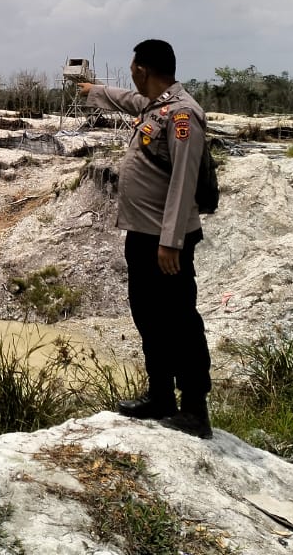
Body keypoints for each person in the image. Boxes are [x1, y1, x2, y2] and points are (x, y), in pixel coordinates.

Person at [79, 39, 213, 438]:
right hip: (142, 234)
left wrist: (171, 240)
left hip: (166, 241)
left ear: (141, 69)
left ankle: (193, 407)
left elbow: (184, 181)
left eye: (133, 68)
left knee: (180, 320)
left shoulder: (183, 114)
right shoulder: (157, 106)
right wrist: (92, 91)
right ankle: (159, 396)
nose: (131, 75)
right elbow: (126, 101)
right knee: (147, 315)